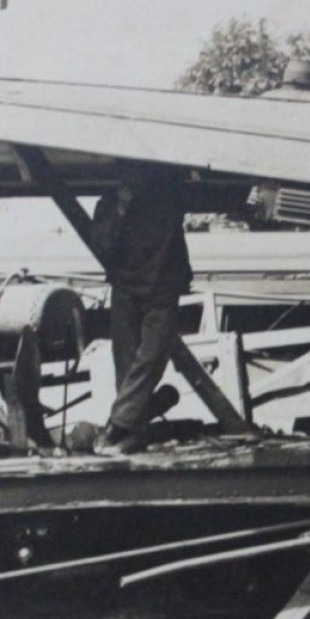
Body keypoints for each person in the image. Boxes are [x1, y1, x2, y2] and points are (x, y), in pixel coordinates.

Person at [89, 167, 193, 454]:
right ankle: (131, 433)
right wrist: (120, 210)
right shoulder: (110, 203)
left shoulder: (169, 193)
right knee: (126, 363)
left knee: (151, 358)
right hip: (127, 289)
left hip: (162, 288)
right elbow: (103, 245)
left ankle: (118, 425)